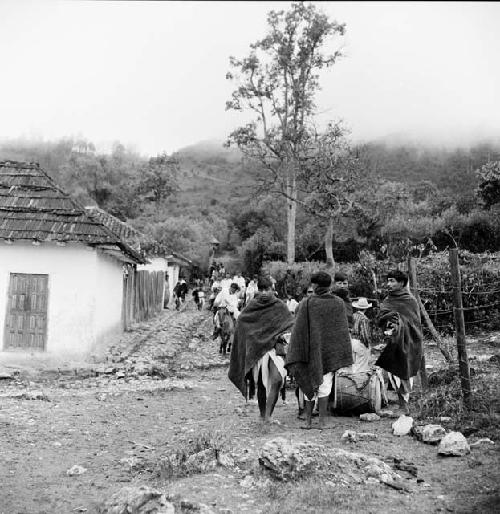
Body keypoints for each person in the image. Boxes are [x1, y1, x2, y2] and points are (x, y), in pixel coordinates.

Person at [286, 271, 352, 429]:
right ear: (330, 285)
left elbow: (298, 331)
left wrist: (296, 351)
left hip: (309, 352)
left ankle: (308, 422)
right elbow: (342, 331)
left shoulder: (306, 303)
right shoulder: (338, 303)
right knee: (325, 386)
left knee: (309, 384)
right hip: (329, 353)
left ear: (314, 286)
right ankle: (322, 422)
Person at [228, 275, 294, 423]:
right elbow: (242, 323)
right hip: (258, 350)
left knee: (277, 380)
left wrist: (281, 336)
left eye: (267, 289)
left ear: (273, 290)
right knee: (262, 384)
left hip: (275, 349)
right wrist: (252, 340)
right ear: (258, 291)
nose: (264, 293)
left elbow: (289, 324)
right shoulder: (253, 306)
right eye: (261, 290)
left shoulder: (280, 306)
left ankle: (268, 415)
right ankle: (263, 414)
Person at [376, 270, 423, 415]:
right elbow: (380, 319)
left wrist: (402, 326)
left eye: (392, 281)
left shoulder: (411, 301)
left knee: (406, 371)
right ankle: (402, 404)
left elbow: (415, 322)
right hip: (392, 341)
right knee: (393, 372)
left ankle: (404, 404)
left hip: (410, 340)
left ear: (402, 283)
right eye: (388, 281)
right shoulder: (388, 301)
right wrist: (391, 324)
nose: (388, 284)